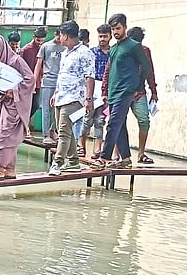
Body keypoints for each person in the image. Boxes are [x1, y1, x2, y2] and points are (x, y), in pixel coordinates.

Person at [92, 13, 153, 170]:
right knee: (120, 125)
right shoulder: (113, 49)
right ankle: (125, 158)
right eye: (113, 29)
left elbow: (146, 66)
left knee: (112, 124)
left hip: (126, 91)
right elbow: (109, 70)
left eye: (118, 28)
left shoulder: (134, 46)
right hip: (113, 92)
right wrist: (105, 91)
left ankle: (104, 158)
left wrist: (139, 86)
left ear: (125, 27)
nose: (115, 32)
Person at [0, 33, 36, 180]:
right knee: (6, 136)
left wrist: (14, 91)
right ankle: (10, 169)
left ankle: (0, 170)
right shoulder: (3, 61)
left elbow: (30, 79)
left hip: (14, 105)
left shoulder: (16, 60)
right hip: (4, 103)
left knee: (4, 137)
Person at [49, 21, 95, 175]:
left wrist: (89, 99)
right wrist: (56, 93)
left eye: (60, 35)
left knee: (63, 131)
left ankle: (57, 163)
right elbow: (62, 75)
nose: (59, 38)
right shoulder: (65, 53)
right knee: (63, 129)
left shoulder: (85, 53)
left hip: (75, 98)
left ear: (65, 36)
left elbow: (90, 76)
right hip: (61, 96)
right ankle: (74, 161)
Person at [127, 26, 159, 164]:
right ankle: (117, 154)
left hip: (139, 92)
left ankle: (141, 153)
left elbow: (149, 71)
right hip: (122, 92)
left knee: (144, 120)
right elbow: (111, 71)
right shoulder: (121, 49)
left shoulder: (145, 52)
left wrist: (154, 90)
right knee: (117, 122)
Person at [81, 23, 111, 160]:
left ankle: (97, 149)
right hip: (92, 89)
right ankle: (81, 147)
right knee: (87, 119)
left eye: (105, 36)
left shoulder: (113, 53)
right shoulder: (92, 52)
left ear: (110, 37)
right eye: (100, 36)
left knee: (100, 120)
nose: (102, 39)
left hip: (106, 90)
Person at [33, 27, 64, 144]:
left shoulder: (65, 47)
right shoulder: (45, 46)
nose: (60, 39)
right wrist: (35, 81)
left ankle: (53, 130)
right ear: (56, 34)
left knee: (57, 109)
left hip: (60, 82)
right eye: (59, 36)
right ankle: (46, 134)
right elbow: (38, 65)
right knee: (46, 109)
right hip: (47, 81)